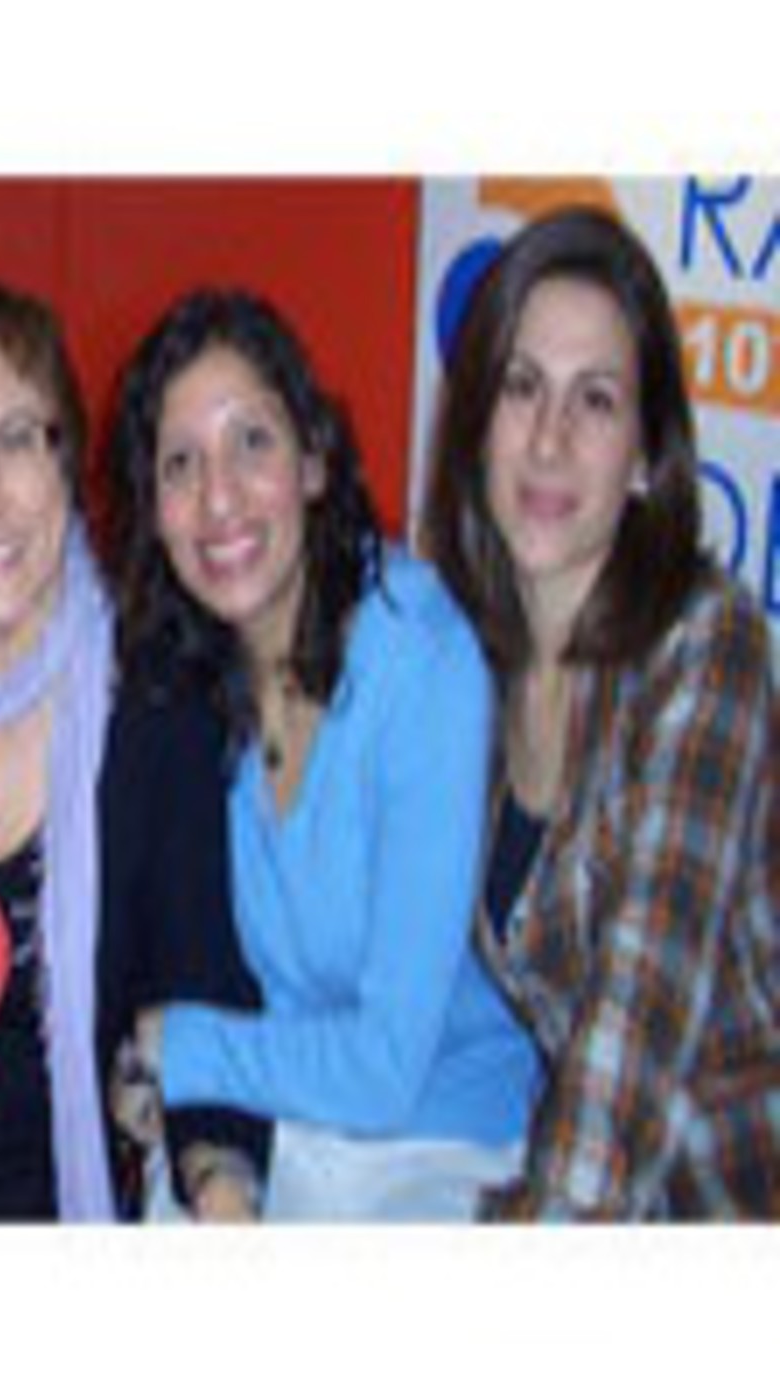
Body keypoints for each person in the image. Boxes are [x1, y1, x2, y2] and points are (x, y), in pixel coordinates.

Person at [0, 274, 267, 1222]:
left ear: (69, 461)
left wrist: (222, 1186)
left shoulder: (154, 697)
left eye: (17, 442)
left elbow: (201, 981)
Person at [106, 287, 542, 1221]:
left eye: (251, 442)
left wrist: (179, 1047)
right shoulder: (189, 672)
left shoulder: (417, 654)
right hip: (288, 1114)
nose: (218, 496)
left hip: (444, 1145)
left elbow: (386, 1069)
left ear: (313, 458)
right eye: (181, 463)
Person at [423, 205, 778, 1219]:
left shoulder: (707, 647)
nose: (547, 439)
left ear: (645, 456)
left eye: (595, 399)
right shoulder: (472, 660)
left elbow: (626, 1044)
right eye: (521, 387)